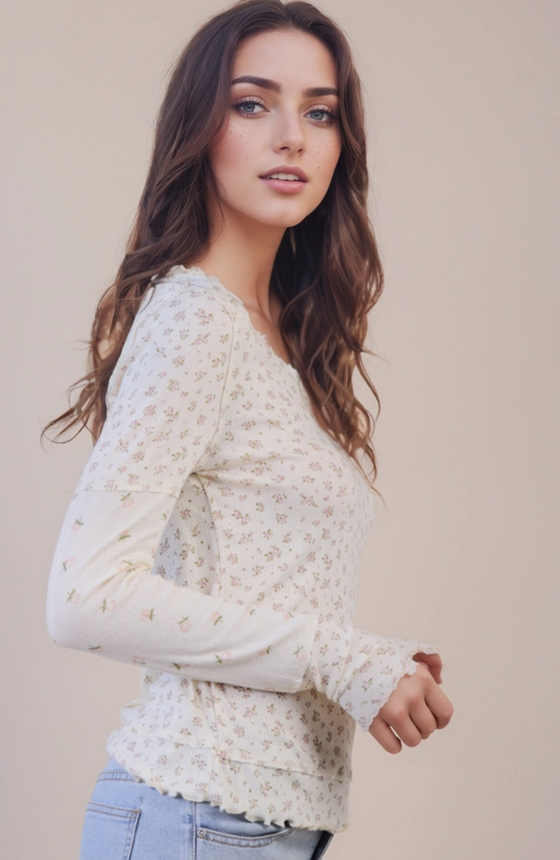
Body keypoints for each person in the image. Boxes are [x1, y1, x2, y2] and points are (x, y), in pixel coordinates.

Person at [43, 1, 453, 858]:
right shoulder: (196, 321)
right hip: (197, 816)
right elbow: (85, 598)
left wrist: (372, 662)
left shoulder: (281, 339)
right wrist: (340, 659)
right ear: (198, 129)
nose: (292, 137)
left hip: (253, 826)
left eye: (320, 112)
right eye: (253, 103)